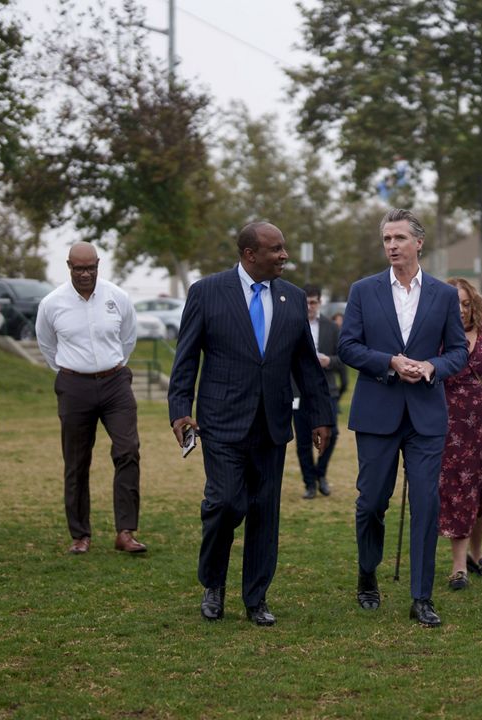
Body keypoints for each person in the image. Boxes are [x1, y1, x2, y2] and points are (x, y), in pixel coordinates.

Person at [169, 221, 333, 626]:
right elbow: (186, 357)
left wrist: (321, 416)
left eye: (285, 248)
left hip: (273, 424)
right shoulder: (207, 292)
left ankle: (256, 598)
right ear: (249, 255)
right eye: (276, 249)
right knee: (225, 502)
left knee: (264, 511)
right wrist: (179, 409)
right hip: (221, 420)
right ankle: (213, 583)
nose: (284, 256)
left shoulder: (292, 297)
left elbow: (307, 367)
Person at [338, 208, 468, 627]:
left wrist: (431, 368)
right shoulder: (363, 290)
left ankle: (422, 597)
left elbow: (458, 353)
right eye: (386, 239)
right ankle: (367, 574)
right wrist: (390, 361)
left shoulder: (444, 295)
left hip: (427, 416)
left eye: (398, 238)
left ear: (418, 242)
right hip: (377, 412)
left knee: (427, 505)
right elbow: (348, 347)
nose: (391, 245)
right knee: (372, 501)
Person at [35, 242, 145, 556]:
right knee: (77, 461)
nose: (85, 274)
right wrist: (71, 372)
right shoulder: (52, 303)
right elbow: (47, 345)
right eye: (78, 269)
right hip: (74, 386)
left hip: (115, 384)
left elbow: (128, 338)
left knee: (128, 451)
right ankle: (80, 535)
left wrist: (112, 366)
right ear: (68, 266)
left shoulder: (117, 297)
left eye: (91, 268)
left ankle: (125, 532)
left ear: (98, 264)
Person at [439, 278, 482, 591]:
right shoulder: (434, 335)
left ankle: (477, 554)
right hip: (452, 431)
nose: (461, 310)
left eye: (466, 303)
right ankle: (457, 564)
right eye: (455, 304)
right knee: (458, 494)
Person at [292, 284, 347, 500]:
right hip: (299, 391)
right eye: (305, 303)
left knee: (331, 434)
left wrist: (328, 361)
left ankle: (320, 474)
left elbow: (344, 358)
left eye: (313, 302)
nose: (309, 307)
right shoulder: (293, 325)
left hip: (327, 391)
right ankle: (309, 484)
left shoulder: (331, 328)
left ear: (320, 302)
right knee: (303, 440)